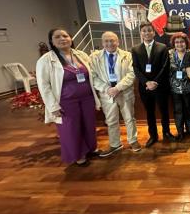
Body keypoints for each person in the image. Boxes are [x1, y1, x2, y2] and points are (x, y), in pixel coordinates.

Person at [36, 28, 100, 166]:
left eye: (65, 36)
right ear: (52, 42)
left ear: (71, 38)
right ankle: (78, 155)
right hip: (65, 101)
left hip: (87, 98)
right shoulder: (46, 60)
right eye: (57, 37)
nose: (62, 39)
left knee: (89, 125)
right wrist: (53, 106)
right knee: (70, 129)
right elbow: (44, 85)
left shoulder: (81, 54)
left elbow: (92, 73)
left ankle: (91, 148)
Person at [90, 31, 140, 157]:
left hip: (124, 91)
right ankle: (115, 144)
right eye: (106, 41)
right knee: (111, 120)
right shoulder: (94, 57)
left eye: (112, 40)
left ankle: (133, 141)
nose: (109, 43)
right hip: (107, 93)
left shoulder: (127, 55)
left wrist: (118, 87)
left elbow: (131, 73)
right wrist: (106, 89)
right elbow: (93, 77)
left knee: (129, 118)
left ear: (118, 42)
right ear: (102, 43)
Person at [131, 22, 174, 148]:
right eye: (144, 31)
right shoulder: (135, 49)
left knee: (164, 111)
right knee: (150, 112)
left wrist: (155, 82)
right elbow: (136, 68)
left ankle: (166, 132)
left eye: (149, 30)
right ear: (141, 33)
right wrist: (146, 82)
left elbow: (165, 67)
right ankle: (153, 136)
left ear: (154, 32)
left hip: (160, 86)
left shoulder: (162, 47)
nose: (147, 33)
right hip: (145, 87)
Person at [169, 32, 190, 141]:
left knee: (189, 109)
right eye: (177, 42)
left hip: (188, 86)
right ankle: (180, 132)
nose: (179, 44)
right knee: (178, 110)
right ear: (174, 44)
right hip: (174, 87)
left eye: (182, 42)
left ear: (186, 43)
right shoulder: (169, 54)